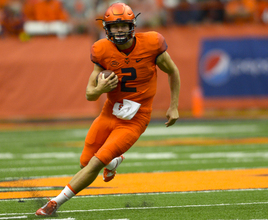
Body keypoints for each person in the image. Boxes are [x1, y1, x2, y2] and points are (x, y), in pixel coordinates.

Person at [35, 2, 180, 216]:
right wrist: (100, 88)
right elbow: (89, 94)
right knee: (85, 162)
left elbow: (173, 71)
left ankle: (55, 202)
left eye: (123, 25)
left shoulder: (152, 43)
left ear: (132, 25)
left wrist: (174, 106)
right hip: (109, 112)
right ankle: (114, 161)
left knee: (94, 163)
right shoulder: (101, 49)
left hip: (135, 120)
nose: (119, 30)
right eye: (114, 26)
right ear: (107, 29)